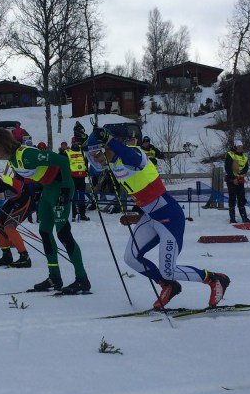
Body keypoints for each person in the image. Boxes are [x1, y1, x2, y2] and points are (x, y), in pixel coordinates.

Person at [85, 126, 230, 309]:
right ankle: (168, 285)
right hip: (150, 216)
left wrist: (108, 139)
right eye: (93, 156)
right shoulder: (113, 163)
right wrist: (84, 145)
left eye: (97, 154)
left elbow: (130, 158)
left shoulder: (133, 154)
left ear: (108, 146)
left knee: (168, 270)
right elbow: (139, 189)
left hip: (169, 216)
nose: (96, 159)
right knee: (131, 258)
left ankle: (215, 279)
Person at [0, 128, 89, 293]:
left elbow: (62, 160)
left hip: (60, 188)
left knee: (63, 234)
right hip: (48, 190)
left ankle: (82, 279)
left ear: (2, 144)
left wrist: (64, 190)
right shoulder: (13, 160)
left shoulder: (26, 155)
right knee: (45, 232)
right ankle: (54, 277)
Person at [224, 139, 250, 224]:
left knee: (241, 198)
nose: (240, 148)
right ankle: (232, 219)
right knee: (232, 198)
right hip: (231, 179)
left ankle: (244, 218)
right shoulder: (230, 154)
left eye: (241, 147)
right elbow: (227, 168)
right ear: (235, 147)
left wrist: (241, 172)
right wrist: (233, 178)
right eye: (239, 147)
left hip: (240, 179)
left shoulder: (244, 156)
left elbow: (246, 167)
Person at [63, 139, 90, 222]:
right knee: (73, 196)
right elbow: (64, 164)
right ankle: (73, 214)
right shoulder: (68, 152)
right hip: (73, 177)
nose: (76, 144)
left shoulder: (82, 152)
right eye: (75, 142)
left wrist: (86, 170)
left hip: (81, 177)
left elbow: (86, 163)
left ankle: (82, 214)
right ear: (72, 143)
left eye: (78, 142)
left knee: (82, 196)